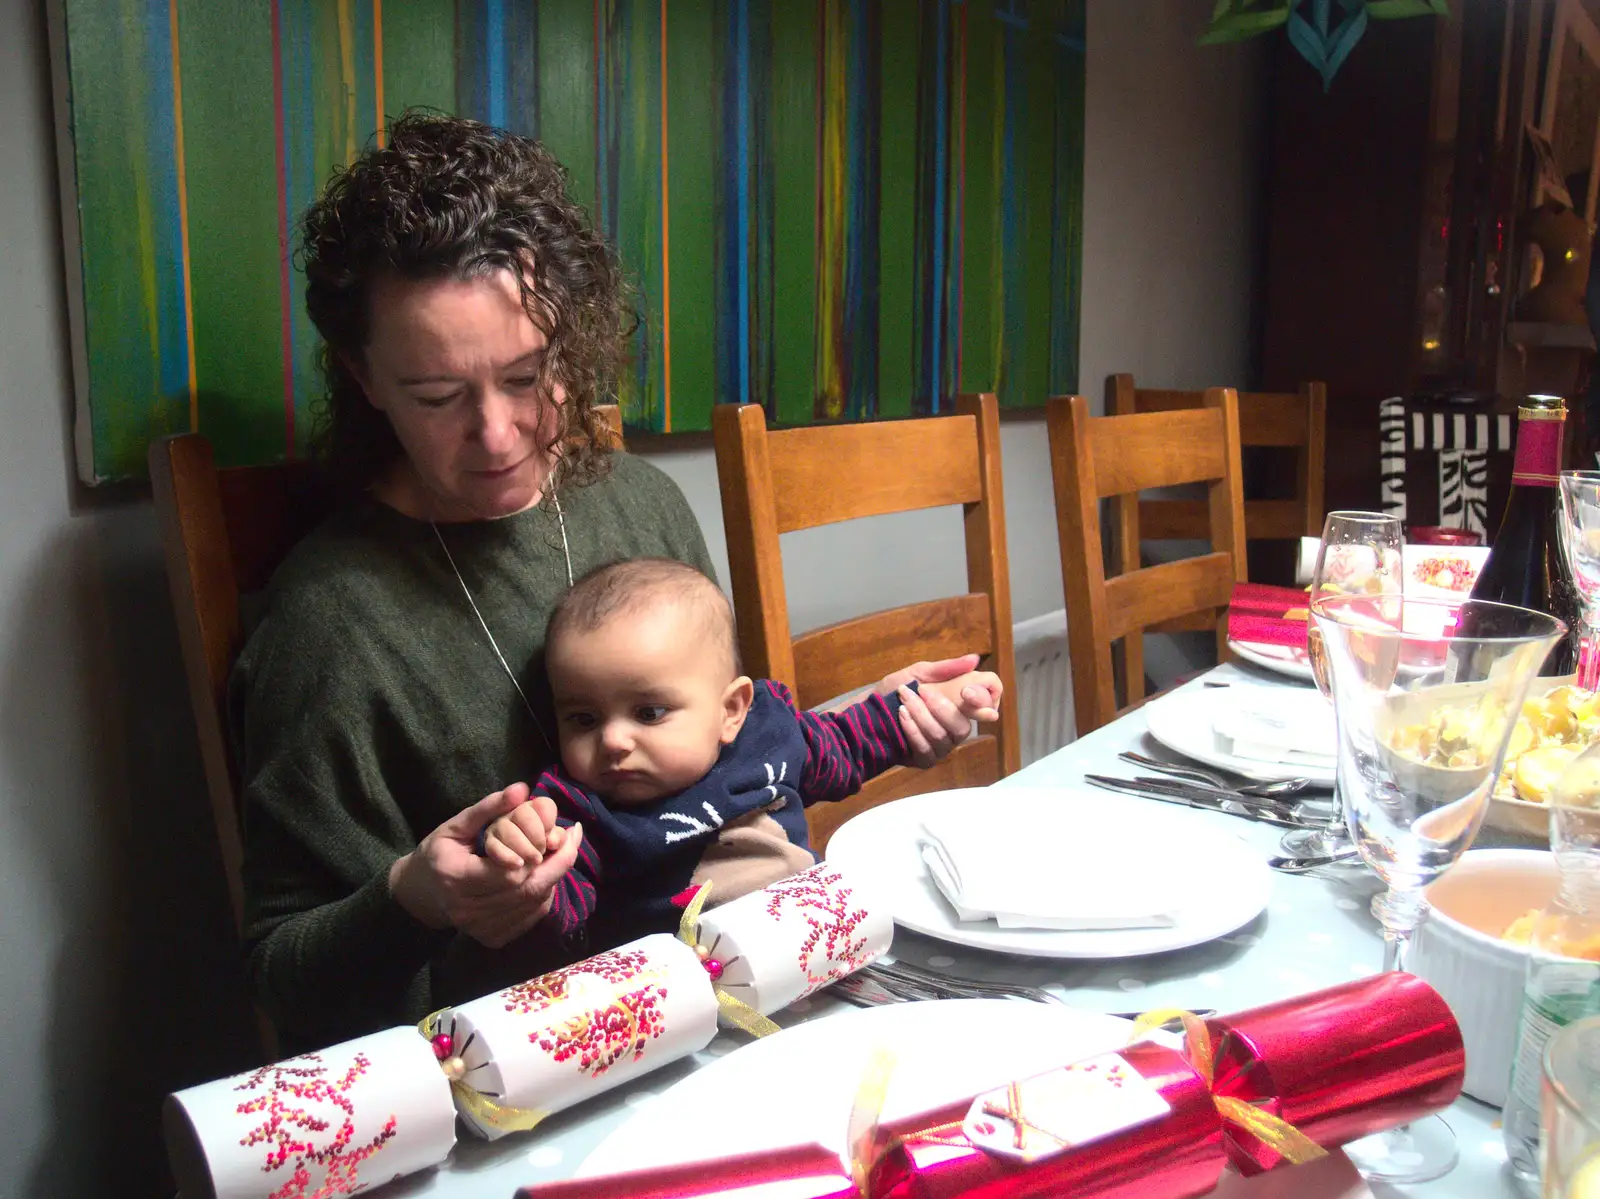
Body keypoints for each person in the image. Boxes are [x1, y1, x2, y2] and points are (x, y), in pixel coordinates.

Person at [230, 111, 998, 1050]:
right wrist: (414, 897)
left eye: (527, 375)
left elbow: (724, 766)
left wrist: (870, 719)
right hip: (516, 1079)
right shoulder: (330, 625)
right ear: (364, 378)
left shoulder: (640, 502)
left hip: (729, 1009)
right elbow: (283, 978)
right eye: (438, 397)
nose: (499, 433)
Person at [478, 558, 1002, 940]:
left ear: (731, 711)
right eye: (584, 719)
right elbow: (558, 920)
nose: (612, 740)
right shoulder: (575, 813)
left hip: (819, 944)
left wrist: (929, 703)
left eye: (649, 713)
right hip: (686, 1011)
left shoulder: (766, 735)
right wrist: (521, 865)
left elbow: (847, 741)